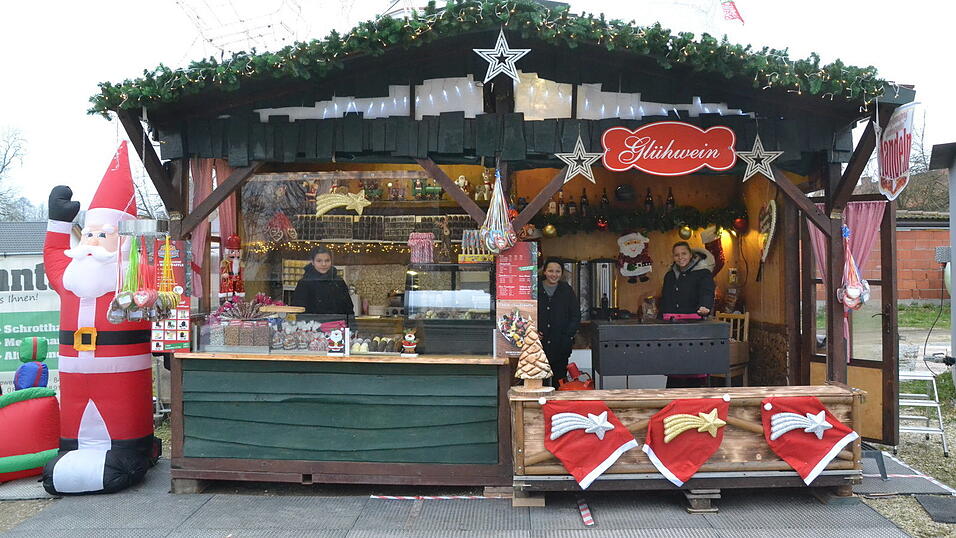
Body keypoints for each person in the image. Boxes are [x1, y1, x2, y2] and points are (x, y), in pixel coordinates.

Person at [660, 241, 716, 388]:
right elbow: (665, 297)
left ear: (691, 255)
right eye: (676, 255)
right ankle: (672, 399)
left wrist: (705, 306)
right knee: (674, 365)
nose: (680, 257)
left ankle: (697, 400)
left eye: (683, 253)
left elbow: (707, 292)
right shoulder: (670, 275)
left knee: (695, 364)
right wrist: (660, 318)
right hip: (671, 325)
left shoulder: (703, 273)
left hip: (693, 324)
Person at [537, 259, 581, 388]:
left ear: (561, 273)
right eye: (550, 271)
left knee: (560, 379)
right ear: (544, 271)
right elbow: (527, 311)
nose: (554, 274)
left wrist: (568, 336)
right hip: (539, 344)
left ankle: (559, 408)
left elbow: (575, 315)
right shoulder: (535, 288)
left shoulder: (566, 290)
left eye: (557, 271)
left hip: (561, 343)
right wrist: (533, 331)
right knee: (539, 379)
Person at [292, 246, 354, 323]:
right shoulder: (304, 283)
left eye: (327, 260)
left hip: (337, 329)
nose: (323, 264)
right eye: (319, 261)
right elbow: (299, 311)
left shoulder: (338, 282)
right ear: (312, 262)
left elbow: (348, 309)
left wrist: (352, 329)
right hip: (312, 329)